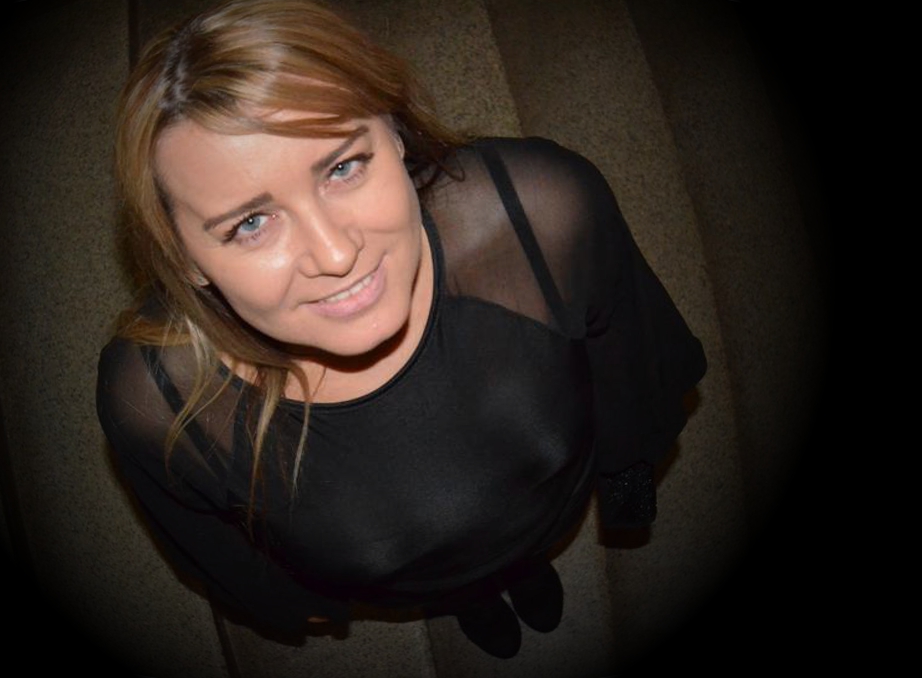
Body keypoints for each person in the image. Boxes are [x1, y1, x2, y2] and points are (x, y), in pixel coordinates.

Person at [96, 0, 707, 659]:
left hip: (541, 520)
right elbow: (220, 551)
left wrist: (625, 490)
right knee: (455, 584)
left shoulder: (542, 212)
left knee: (523, 551)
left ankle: (523, 569)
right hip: (417, 582)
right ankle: (467, 597)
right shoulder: (155, 398)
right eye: (250, 223)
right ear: (185, 260)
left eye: (342, 166)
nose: (336, 255)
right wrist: (291, 605)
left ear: (393, 131)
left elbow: (632, 373)